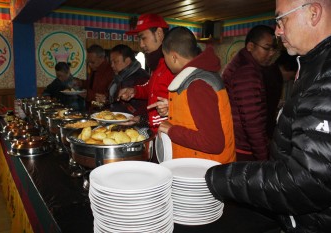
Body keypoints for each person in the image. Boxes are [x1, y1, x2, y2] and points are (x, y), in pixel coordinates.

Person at [206, 0, 331, 232]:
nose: (277, 30)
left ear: (314, 13)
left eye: (281, 19)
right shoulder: (313, 64)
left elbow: (309, 181)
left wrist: (217, 178)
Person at [152, 26, 235, 164]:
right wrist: (173, 107)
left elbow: (213, 142)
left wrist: (172, 130)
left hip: (207, 173)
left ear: (173, 57)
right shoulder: (197, 78)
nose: (165, 62)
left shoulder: (198, 85)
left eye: (165, 56)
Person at [222, 25, 277, 161]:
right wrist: (263, 157)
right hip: (242, 147)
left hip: (236, 141)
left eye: (273, 49)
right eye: (266, 48)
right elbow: (252, 122)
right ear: (250, 46)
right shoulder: (247, 71)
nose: (271, 53)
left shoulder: (242, 63)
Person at [117, 14, 174, 133]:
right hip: (156, 133)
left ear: (158, 33)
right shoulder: (158, 62)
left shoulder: (174, 64)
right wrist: (134, 91)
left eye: (143, 38)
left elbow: (176, 108)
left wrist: (142, 119)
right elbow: (152, 88)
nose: (141, 44)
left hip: (168, 135)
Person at [263, 50, 298, 139]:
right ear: (287, 68)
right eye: (293, 75)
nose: (291, 78)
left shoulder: (269, 71)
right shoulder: (275, 80)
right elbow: (269, 112)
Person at [108, 44, 149, 116]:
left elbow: (143, 107)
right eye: (111, 62)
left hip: (135, 121)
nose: (112, 65)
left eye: (115, 62)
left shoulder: (141, 77)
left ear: (127, 61)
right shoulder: (119, 77)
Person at [83, 44, 114, 111]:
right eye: (88, 62)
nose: (90, 65)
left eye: (92, 62)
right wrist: (81, 83)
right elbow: (91, 84)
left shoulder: (110, 71)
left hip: (103, 111)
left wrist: (88, 95)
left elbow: (110, 95)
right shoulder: (94, 69)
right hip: (91, 108)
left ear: (102, 58)